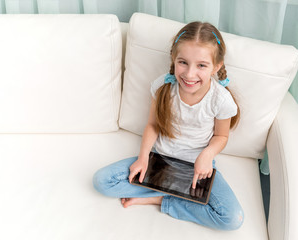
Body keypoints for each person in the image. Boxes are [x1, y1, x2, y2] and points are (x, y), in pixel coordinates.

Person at [92, 21, 244, 231]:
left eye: (201, 65)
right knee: (102, 181)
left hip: (197, 169)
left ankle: (160, 199)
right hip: (160, 162)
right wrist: (143, 157)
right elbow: (153, 125)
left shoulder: (221, 100)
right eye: (183, 62)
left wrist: (207, 155)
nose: (189, 74)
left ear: (216, 66)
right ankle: (168, 190)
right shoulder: (163, 87)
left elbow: (222, 136)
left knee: (232, 218)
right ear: (174, 58)